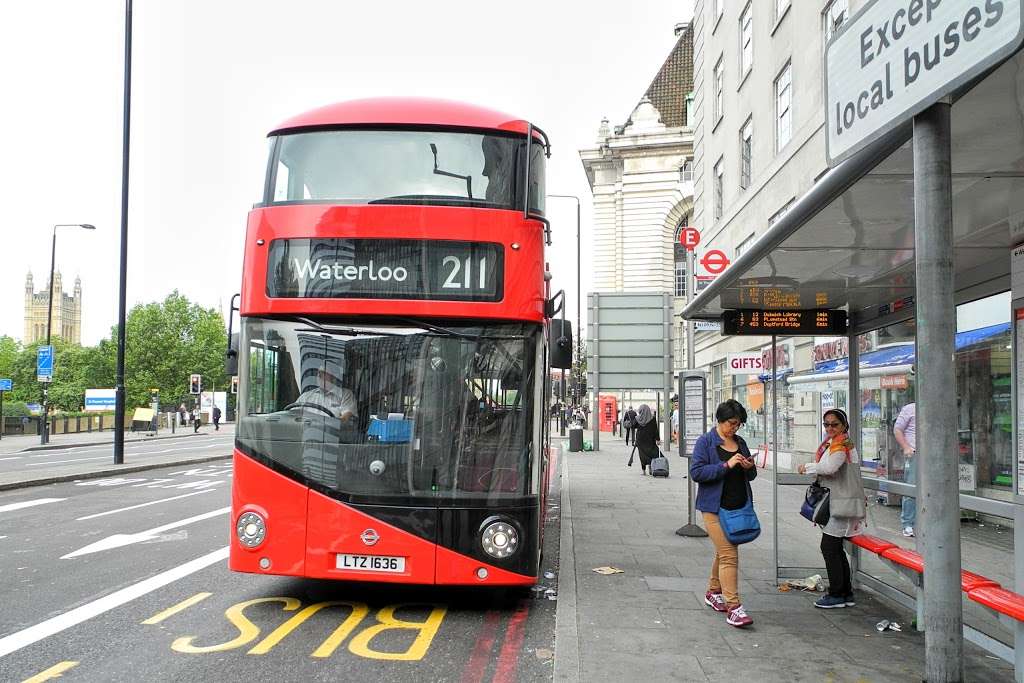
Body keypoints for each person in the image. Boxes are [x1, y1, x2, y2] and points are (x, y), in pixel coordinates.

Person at [690, 399, 756, 628]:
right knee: (729, 553)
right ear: (720, 420)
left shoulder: (741, 442)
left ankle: (713, 591)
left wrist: (749, 467)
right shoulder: (706, 442)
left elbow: (752, 476)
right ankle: (734, 607)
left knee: (724, 551)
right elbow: (697, 472)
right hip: (713, 508)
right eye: (732, 423)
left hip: (737, 507)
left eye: (738, 424)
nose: (735, 428)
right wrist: (726, 466)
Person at [799, 409, 866, 609]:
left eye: (834, 424)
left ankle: (837, 593)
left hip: (842, 504)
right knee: (834, 548)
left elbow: (829, 468)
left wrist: (808, 467)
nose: (829, 428)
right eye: (826, 424)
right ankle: (844, 592)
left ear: (844, 425)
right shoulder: (839, 443)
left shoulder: (841, 444)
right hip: (840, 502)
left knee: (829, 547)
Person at [288, 368, 358, 421]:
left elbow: (346, 419)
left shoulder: (345, 394)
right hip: (306, 435)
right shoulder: (306, 396)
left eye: (323, 373)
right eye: (318, 373)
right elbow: (292, 416)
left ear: (333, 377)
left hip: (332, 437)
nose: (319, 375)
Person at [893, 402, 917, 537]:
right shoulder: (909, 409)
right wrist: (906, 447)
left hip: (932, 456)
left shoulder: (936, 408)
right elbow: (897, 429)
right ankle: (908, 524)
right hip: (915, 453)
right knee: (911, 489)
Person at [629, 404, 661, 474]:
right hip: (650, 440)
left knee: (642, 455)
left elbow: (633, 426)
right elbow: (655, 430)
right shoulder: (652, 418)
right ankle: (650, 466)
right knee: (650, 453)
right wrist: (658, 439)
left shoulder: (638, 418)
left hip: (640, 440)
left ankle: (644, 471)